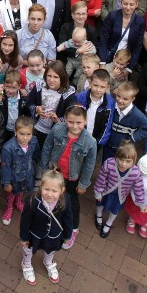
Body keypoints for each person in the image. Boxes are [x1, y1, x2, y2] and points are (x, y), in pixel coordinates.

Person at [38, 104, 95, 250]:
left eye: (79, 122)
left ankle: (73, 229)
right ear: (65, 120)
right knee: (51, 197)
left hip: (72, 179)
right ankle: (51, 220)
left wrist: (83, 184)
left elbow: (89, 165)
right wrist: (44, 168)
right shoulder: (57, 129)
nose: (74, 126)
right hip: (55, 173)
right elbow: (47, 147)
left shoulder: (90, 141)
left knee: (71, 204)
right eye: (70, 122)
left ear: (86, 121)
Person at [94, 141, 144, 238]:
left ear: (134, 160)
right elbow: (101, 178)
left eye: (128, 161)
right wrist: (98, 192)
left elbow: (139, 188)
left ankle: (109, 223)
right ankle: (98, 215)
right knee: (100, 203)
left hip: (120, 196)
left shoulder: (136, 172)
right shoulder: (109, 163)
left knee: (114, 210)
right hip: (106, 191)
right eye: (121, 159)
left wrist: (141, 203)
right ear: (116, 157)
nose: (124, 164)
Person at [0, 116, 39, 226]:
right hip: (14, 178)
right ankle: (9, 206)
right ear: (15, 131)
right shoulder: (8, 148)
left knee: (22, 190)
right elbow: (5, 166)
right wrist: (6, 183)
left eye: (28, 134)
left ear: (32, 133)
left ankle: (18, 202)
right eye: (22, 134)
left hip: (27, 174)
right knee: (12, 192)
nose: (25, 138)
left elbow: (37, 156)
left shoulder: (34, 142)